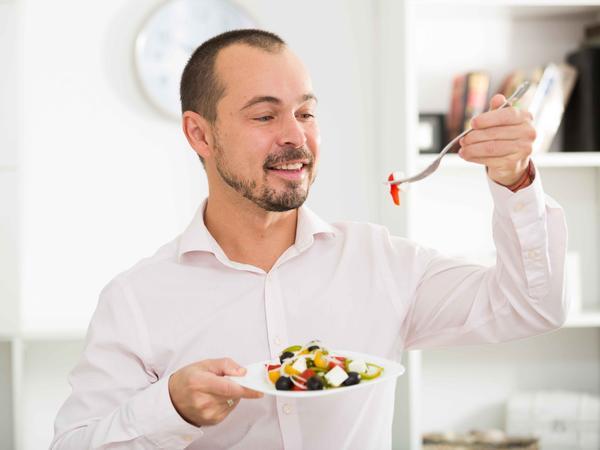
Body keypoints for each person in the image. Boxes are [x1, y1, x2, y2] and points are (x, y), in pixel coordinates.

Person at [51, 29, 568, 450]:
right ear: (200, 135)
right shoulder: (137, 299)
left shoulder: (380, 261)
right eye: (264, 115)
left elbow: (531, 306)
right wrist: (170, 409)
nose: (295, 137)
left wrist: (514, 180)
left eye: (305, 112)